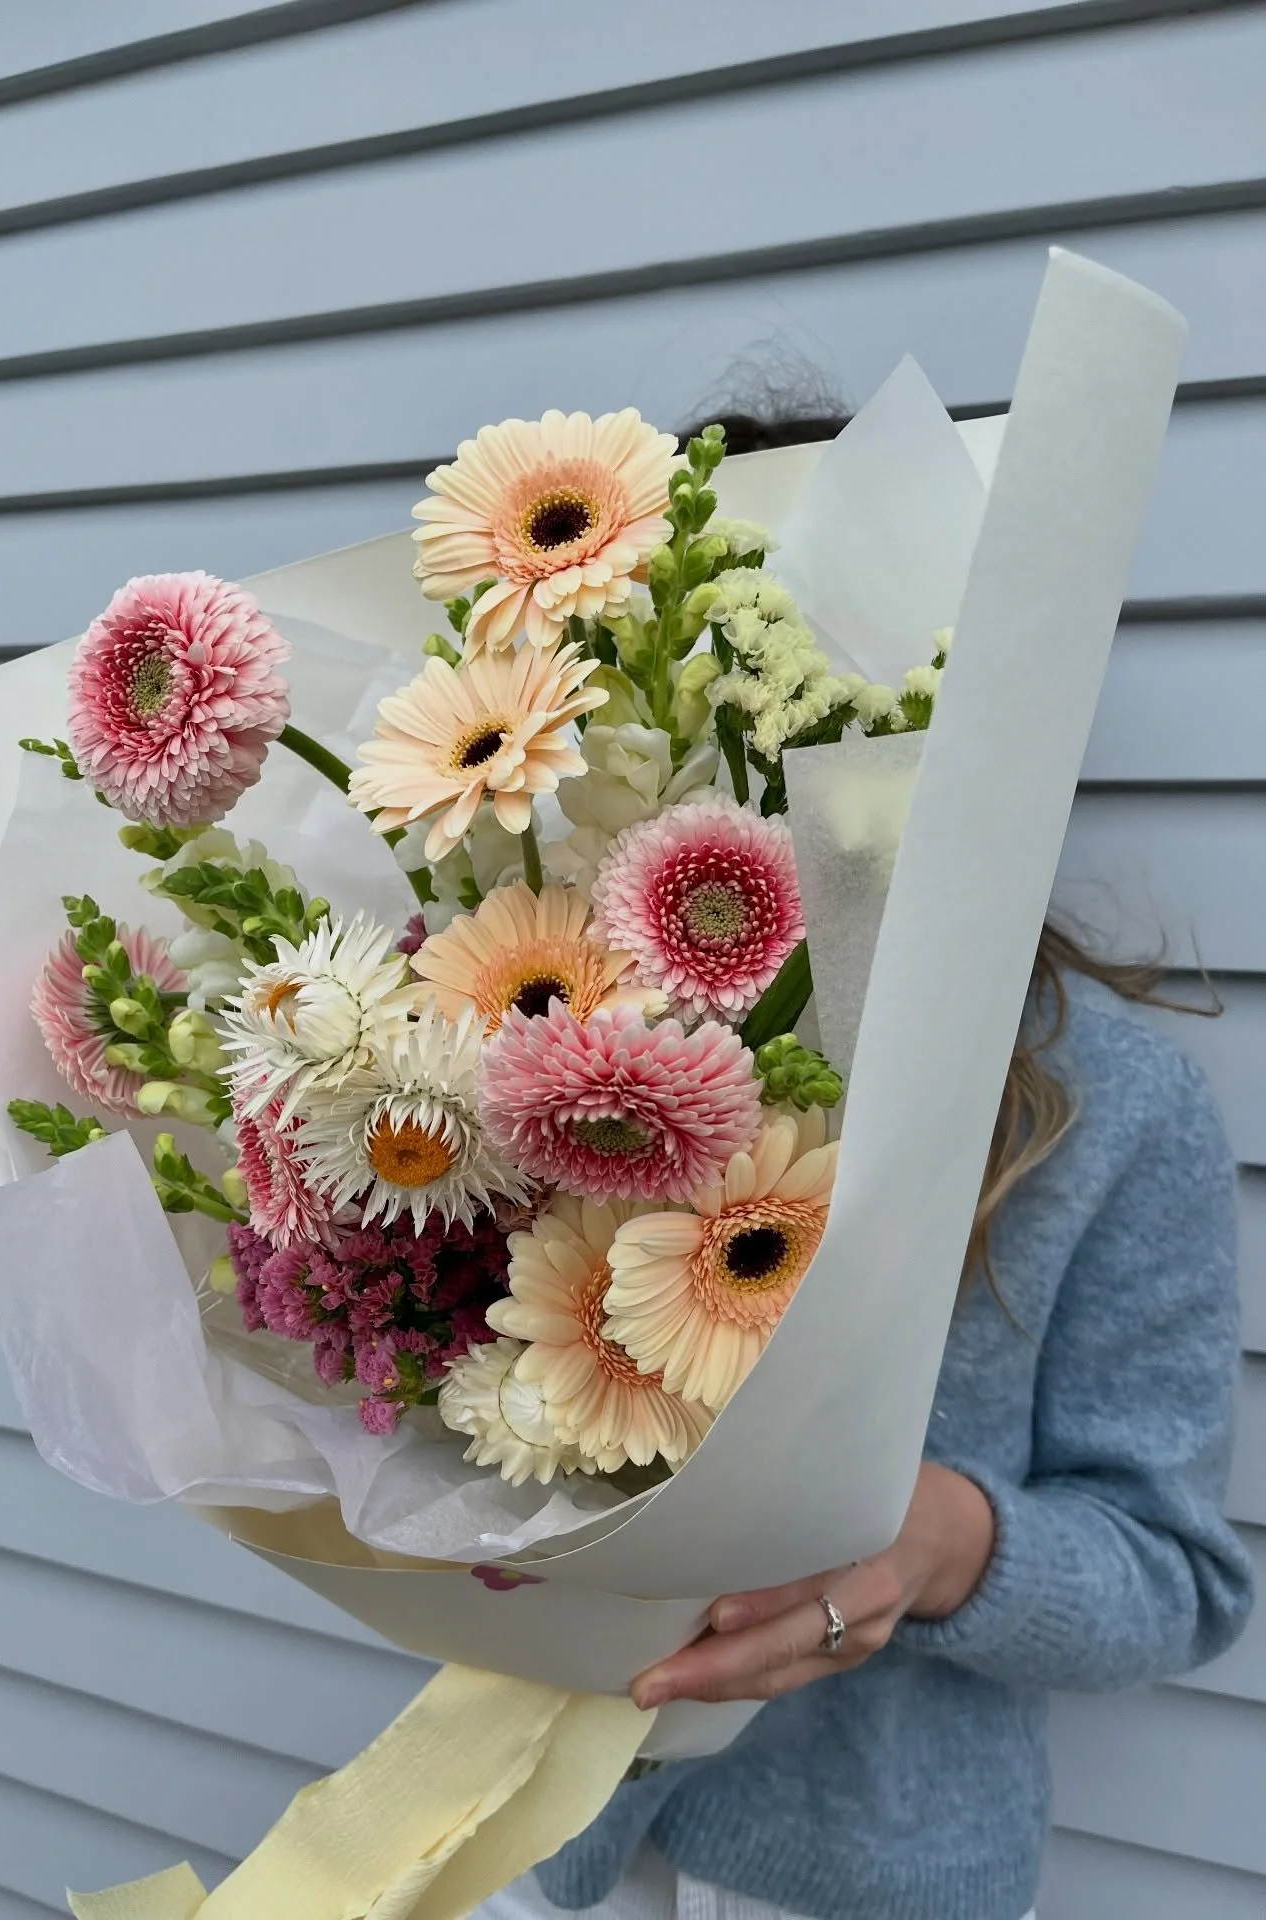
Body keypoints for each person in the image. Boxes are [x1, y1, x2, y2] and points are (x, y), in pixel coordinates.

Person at [479, 404, 1256, 1920]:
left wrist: (943, 1543)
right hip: (536, 1829)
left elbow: (1178, 1578)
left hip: (864, 1872)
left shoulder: (1108, 1112)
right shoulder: (532, 1034)